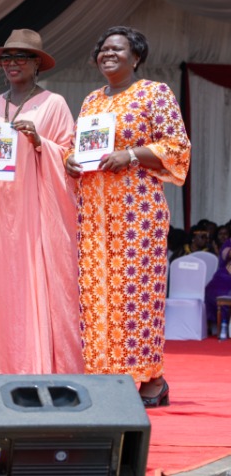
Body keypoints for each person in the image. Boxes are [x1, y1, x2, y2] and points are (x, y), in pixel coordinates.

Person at [65, 26, 190, 408]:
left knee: (136, 296)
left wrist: (132, 155)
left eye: (117, 49)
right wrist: (71, 159)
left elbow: (176, 146)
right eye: (103, 49)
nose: (108, 54)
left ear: (136, 57)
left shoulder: (154, 93)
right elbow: (81, 146)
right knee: (97, 296)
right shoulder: (91, 101)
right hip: (94, 215)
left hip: (137, 214)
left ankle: (150, 377)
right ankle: (104, 374)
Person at [0, 29, 83, 375]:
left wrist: (39, 141)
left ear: (37, 64)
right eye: (7, 57)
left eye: (21, 57)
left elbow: (69, 158)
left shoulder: (54, 103)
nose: (13, 63)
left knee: (34, 283)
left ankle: (37, 365)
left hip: (34, 208)